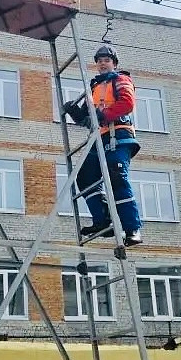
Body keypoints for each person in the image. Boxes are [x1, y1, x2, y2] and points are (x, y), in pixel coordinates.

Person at [63, 45, 142, 246]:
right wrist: (75, 112)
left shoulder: (120, 80)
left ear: (114, 63)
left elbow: (127, 103)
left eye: (106, 60)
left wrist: (103, 115)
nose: (102, 64)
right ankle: (103, 220)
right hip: (99, 138)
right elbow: (88, 119)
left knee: (117, 177)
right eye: (99, 61)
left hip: (118, 136)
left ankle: (132, 229)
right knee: (85, 177)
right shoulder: (95, 88)